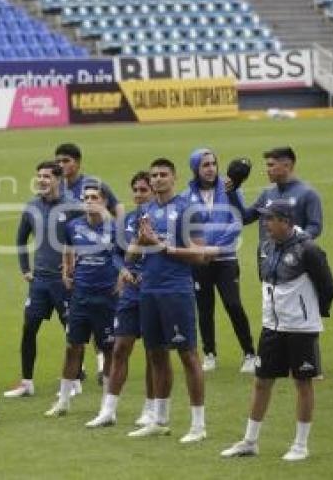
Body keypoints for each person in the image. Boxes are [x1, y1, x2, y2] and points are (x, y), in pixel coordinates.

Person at [221, 201, 333, 461]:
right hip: (271, 326)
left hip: (300, 329)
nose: (264, 224)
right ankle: (250, 441)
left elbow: (329, 288)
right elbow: (265, 280)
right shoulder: (264, 247)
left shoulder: (309, 250)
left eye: (269, 219)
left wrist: (308, 314)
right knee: (261, 381)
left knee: (302, 382)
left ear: (285, 221)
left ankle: (300, 445)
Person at [127, 158, 217, 443]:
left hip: (176, 290)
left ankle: (198, 425)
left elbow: (201, 255)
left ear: (174, 178)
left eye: (163, 174)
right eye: (153, 175)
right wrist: (141, 244)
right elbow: (131, 254)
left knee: (188, 355)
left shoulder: (187, 209)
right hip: (149, 290)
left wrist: (163, 246)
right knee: (155, 354)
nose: (156, 179)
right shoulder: (147, 211)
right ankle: (160, 419)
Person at [86, 171, 161, 428]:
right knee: (119, 349)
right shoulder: (128, 220)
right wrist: (123, 269)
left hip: (153, 291)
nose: (139, 194)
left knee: (153, 352)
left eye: (144, 190)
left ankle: (150, 408)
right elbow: (116, 253)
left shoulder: (160, 218)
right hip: (129, 293)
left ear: (153, 191)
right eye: (136, 190)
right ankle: (109, 410)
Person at [45, 184, 122, 417]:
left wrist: (121, 279)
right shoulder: (73, 226)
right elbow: (68, 248)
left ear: (104, 201)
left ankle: (107, 406)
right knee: (72, 347)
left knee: (108, 350)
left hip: (107, 296)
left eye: (94, 197)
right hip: (81, 296)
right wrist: (66, 271)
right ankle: (64, 401)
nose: (89, 201)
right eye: (86, 197)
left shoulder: (115, 228)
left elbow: (125, 255)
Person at [54, 142, 123, 379]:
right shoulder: (57, 186)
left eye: (66, 161)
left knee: (100, 321)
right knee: (78, 322)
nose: (62, 165)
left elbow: (117, 206)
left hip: (99, 253)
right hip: (76, 252)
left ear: (78, 162)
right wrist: (67, 264)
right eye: (58, 161)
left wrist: (119, 231)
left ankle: (102, 362)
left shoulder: (93, 184)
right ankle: (78, 374)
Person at [183, 149, 255, 373]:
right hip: (199, 261)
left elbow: (237, 222)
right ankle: (210, 354)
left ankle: (250, 353)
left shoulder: (231, 190)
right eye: (205, 165)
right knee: (204, 309)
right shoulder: (186, 196)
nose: (211, 168)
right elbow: (185, 228)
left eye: (213, 163)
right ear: (196, 168)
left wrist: (216, 248)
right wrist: (199, 250)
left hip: (226, 259)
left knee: (233, 305)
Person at [4, 161, 70, 398]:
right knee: (29, 328)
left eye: (47, 176)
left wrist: (74, 267)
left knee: (72, 333)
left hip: (65, 282)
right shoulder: (31, 206)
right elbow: (21, 240)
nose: (42, 180)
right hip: (40, 281)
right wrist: (25, 269)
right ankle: (26, 383)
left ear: (58, 179)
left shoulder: (72, 206)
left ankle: (72, 383)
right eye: (39, 176)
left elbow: (85, 238)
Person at [229, 146, 322, 243]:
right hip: (266, 256)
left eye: (271, 165)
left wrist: (295, 240)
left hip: (294, 256)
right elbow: (245, 218)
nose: (267, 170)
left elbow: (315, 227)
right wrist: (232, 191)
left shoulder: (308, 194)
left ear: (287, 165)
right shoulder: (267, 193)